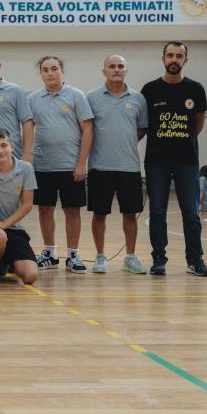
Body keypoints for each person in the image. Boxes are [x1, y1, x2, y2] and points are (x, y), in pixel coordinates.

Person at [141, 41, 207, 277]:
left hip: (187, 161)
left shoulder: (196, 89)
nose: (174, 59)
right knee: (157, 212)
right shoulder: (150, 89)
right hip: (156, 162)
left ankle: (195, 259)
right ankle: (158, 259)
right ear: (163, 59)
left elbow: (198, 123)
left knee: (191, 212)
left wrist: (183, 140)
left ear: (185, 60)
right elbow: (143, 124)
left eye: (179, 56)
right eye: (170, 55)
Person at [27, 56, 94, 274]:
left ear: (62, 71)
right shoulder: (33, 99)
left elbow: (88, 130)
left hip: (70, 166)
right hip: (42, 165)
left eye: (54, 68)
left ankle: (73, 254)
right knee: (45, 209)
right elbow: (28, 130)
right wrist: (28, 157)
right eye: (45, 69)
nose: (50, 73)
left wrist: (81, 163)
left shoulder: (76, 96)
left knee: (72, 210)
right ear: (41, 73)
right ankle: (50, 253)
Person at [85, 55, 148, 274]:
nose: (117, 69)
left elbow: (141, 129)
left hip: (129, 167)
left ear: (126, 71)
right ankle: (100, 256)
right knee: (99, 214)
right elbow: (86, 130)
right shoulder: (91, 98)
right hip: (99, 167)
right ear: (104, 71)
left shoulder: (138, 99)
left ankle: (130, 257)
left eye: (121, 66)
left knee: (130, 214)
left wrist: (124, 143)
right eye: (112, 66)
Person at [0, 129, 39, 285]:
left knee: (30, 276)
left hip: (12, 227)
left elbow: (27, 205)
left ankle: (5, 259)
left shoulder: (26, 168)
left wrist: (3, 224)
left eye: (4, 145)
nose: (0, 150)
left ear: (12, 146)